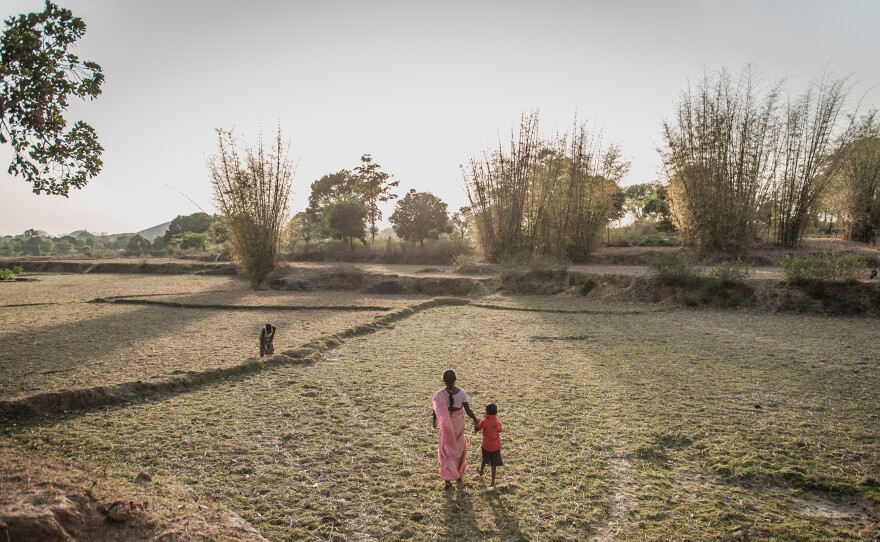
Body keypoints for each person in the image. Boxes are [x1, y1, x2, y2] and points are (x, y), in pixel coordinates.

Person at [431, 369, 479, 488]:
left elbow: (435, 410)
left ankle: (447, 478)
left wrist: (434, 422)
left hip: (446, 426)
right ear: (455, 379)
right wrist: (475, 419)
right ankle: (458, 473)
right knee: (458, 448)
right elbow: (467, 410)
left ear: (443, 380)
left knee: (446, 450)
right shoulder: (462, 393)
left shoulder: (440, 394)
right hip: (458, 425)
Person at [476, 403, 504, 489]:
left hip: (486, 445)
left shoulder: (484, 421)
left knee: (484, 459)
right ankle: (493, 481)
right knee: (494, 464)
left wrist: (476, 423)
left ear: (486, 412)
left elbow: (478, 428)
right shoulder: (497, 422)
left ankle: (481, 471)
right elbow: (500, 430)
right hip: (495, 446)